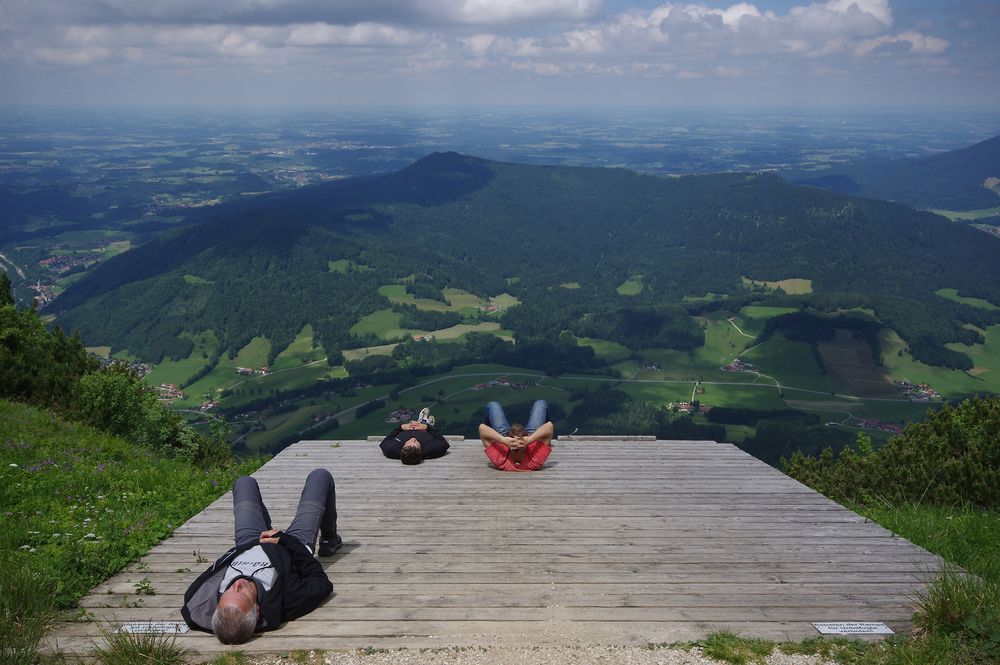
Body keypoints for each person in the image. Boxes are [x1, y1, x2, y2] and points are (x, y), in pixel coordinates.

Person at [181, 468, 342, 644]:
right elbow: (321, 582)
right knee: (320, 476)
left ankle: (265, 526)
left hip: (247, 542)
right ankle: (330, 539)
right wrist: (284, 540)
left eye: (228, 591)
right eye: (242, 592)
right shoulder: (288, 601)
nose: (237, 584)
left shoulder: (200, 599)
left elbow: (193, 607)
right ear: (257, 610)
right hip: (293, 546)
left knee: (244, 482)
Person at [479, 399, 553, 471]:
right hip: (531, 437)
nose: (517, 444)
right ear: (525, 446)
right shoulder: (534, 461)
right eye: (520, 443)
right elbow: (549, 426)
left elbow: (482, 428)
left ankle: (493, 438)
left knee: (493, 405)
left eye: (514, 444)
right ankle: (546, 443)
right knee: (541, 403)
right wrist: (530, 439)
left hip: (505, 436)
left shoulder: (501, 460)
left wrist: (503, 440)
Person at [379, 407, 450, 464]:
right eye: (416, 443)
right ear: (421, 451)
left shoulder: (391, 450)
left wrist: (400, 427)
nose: (413, 440)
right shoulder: (432, 450)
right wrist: (427, 428)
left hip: (406, 430)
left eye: (408, 443)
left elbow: (385, 441)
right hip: (424, 431)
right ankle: (425, 423)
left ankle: (422, 421)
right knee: (429, 430)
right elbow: (443, 442)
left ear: (403, 448)